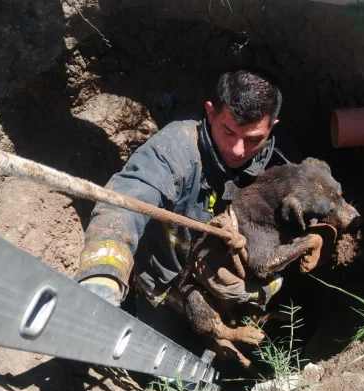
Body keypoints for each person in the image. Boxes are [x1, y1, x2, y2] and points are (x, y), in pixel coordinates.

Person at [73, 69, 301, 348]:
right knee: (166, 350)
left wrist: (322, 237)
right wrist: (103, 272)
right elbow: (127, 197)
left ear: (272, 127)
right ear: (210, 112)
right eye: (228, 131)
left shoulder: (283, 164)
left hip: (226, 279)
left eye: (253, 138)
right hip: (169, 286)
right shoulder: (175, 152)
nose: (239, 150)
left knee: (255, 299)